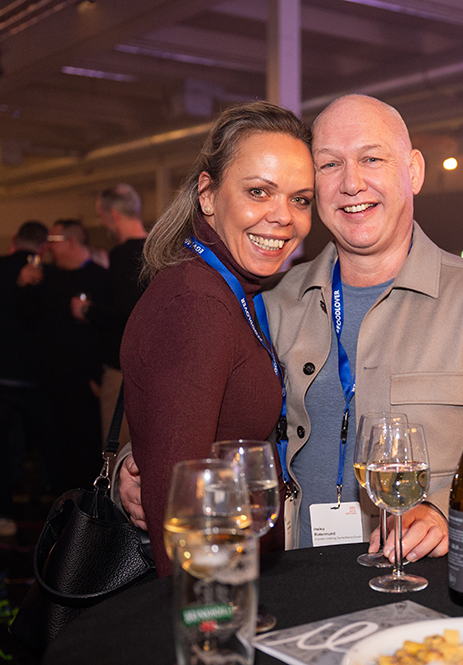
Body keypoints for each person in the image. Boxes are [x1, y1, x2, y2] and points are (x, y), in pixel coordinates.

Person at [262, 94, 463, 560]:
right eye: (330, 165)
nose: (352, 183)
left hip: (425, 581)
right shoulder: (276, 302)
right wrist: (135, 464)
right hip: (296, 581)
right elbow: (217, 417)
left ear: (414, 171)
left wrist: (444, 511)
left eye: (372, 159)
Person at [118, 101, 315, 577]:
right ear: (207, 194)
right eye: (258, 192)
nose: (283, 217)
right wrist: (211, 615)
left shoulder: (231, 289)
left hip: (241, 576)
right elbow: (180, 511)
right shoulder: (198, 302)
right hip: (212, 589)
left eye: (300, 199)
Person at [0, 222, 57, 537]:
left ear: (14, 240)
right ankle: (67, 515)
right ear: (43, 246)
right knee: (51, 449)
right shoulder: (49, 273)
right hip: (37, 378)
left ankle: (2, 513)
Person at [18, 219, 107, 492]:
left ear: (71, 242)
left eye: (53, 241)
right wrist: (23, 285)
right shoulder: (47, 278)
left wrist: (97, 375)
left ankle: (88, 511)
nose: (47, 247)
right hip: (48, 383)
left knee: (85, 452)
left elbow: (108, 332)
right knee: (55, 454)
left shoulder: (100, 278)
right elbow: (29, 320)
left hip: (83, 384)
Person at [87, 183, 148, 446]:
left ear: (113, 214)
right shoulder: (160, 248)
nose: (103, 224)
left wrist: (88, 310)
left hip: (124, 369)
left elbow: (125, 311)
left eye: (101, 216)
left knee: (119, 451)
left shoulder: (123, 255)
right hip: (154, 366)